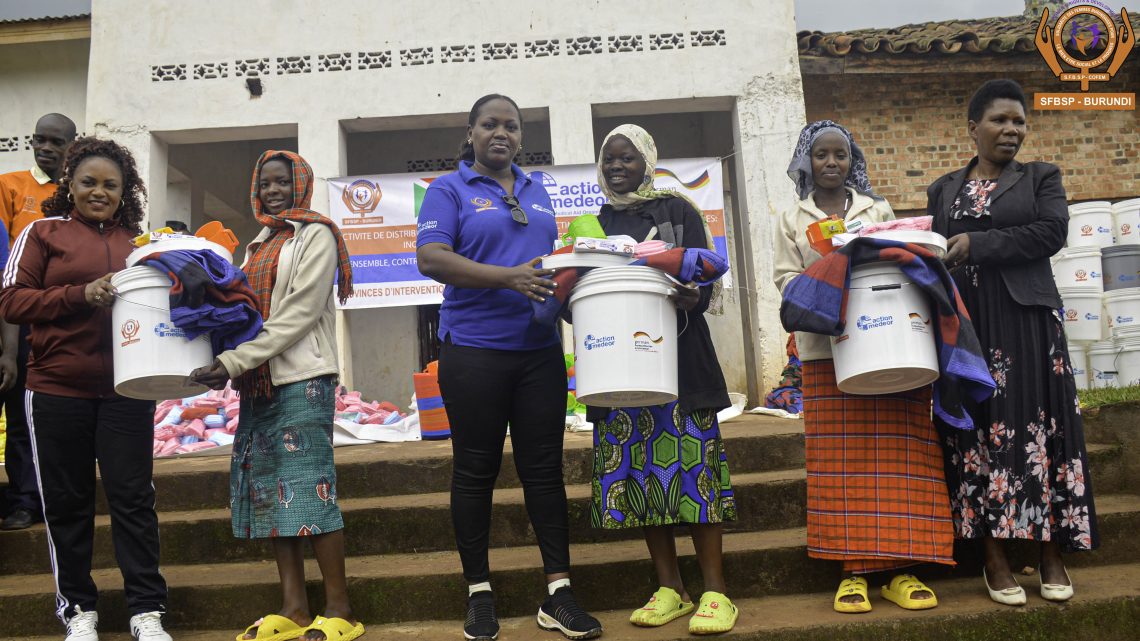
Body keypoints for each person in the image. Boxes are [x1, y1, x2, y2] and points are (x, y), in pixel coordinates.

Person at [416, 94, 603, 641]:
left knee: (543, 472)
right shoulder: (448, 190)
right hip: (473, 352)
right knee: (475, 472)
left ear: (521, 137)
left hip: (539, 354)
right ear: (471, 133)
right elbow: (430, 259)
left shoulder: (538, 191)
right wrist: (508, 277)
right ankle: (478, 594)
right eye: (490, 125)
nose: (502, 133)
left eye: (512, 126)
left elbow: (551, 268)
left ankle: (559, 594)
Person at [773, 121, 955, 614]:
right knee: (842, 466)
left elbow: (905, 260)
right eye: (821, 155)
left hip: (894, 346)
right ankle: (851, 573)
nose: (832, 164)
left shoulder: (878, 209)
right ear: (806, 162)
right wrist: (833, 267)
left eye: (841, 155)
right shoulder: (792, 216)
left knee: (902, 456)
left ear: (853, 161)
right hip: (826, 353)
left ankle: (902, 569)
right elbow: (786, 283)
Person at [928, 79, 1098, 606]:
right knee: (976, 436)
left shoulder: (1041, 178)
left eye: (1019, 121)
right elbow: (931, 248)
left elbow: (1050, 233)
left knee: (1038, 433)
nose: (1011, 130)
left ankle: (1049, 551)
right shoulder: (943, 188)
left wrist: (977, 244)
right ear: (972, 127)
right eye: (1000, 120)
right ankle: (994, 556)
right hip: (969, 328)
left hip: (1026, 326)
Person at [0, 137, 171, 641]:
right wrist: (80, 294)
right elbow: (12, 301)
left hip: (127, 390)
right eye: (89, 182)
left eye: (111, 185)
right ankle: (78, 610)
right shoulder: (42, 232)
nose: (99, 192)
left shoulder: (139, 243)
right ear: (69, 183)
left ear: (125, 192)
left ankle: (146, 610)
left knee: (134, 500)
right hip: (56, 388)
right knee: (66, 502)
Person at [190, 150, 363, 641]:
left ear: (301, 184)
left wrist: (232, 361)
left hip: (303, 378)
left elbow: (299, 313)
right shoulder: (260, 242)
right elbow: (242, 313)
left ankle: (340, 609)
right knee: (271, 494)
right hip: (259, 383)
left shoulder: (317, 234)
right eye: (264, 183)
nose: (272, 190)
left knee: (312, 489)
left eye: (282, 181)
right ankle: (294, 608)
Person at [588, 124, 739, 634]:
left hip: (679, 363)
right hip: (618, 368)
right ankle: (670, 589)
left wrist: (696, 296)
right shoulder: (596, 222)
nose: (616, 166)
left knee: (695, 474)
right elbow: (579, 293)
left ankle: (715, 592)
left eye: (626, 158)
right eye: (609, 159)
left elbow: (708, 278)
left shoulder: (678, 210)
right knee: (641, 477)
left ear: (647, 160)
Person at [0, 112, 77, 531]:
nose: (45, 148)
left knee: (27, 417)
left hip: (56, 318)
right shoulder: (9, 186)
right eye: (39, 140)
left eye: (55, 142)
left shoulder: (78, 191)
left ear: (71, 145)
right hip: (13, 316)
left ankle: (27, 500)